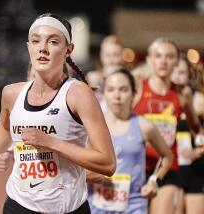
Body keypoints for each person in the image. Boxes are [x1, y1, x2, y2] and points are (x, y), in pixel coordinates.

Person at [0, 13, 116, 213]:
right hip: (19, 204)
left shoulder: (78, 94)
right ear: (29, 47)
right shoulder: (11, 93)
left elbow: (107, 163)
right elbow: (4, 126)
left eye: (53, 42)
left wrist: (51, 142)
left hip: (68, 208)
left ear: (68, 50)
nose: (43, 48)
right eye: (36, 41)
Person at [87, 68, 173, 214]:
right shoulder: (90, 124)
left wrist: (154, 181)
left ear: (134, 93)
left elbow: (167, 156)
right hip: (95, 205)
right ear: (103, 93)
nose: (117, 95)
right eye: (111, 89)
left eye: (123, 89)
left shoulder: (144, 126)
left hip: (133, 205)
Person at [133, 38, 200, 214]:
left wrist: (199, 149)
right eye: (158, 56)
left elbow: (196, 127)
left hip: (167, 168)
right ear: (149, 60)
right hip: (136, 167)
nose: (163, 61)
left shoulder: (182, 93)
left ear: (177, 62)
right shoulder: (138, 87)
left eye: (169, 56)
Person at [170, 54, 204, 214]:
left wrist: (197, 152)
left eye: (181, 72)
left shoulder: (197, 99)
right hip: (171, 167)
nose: (176, 75)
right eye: (174, 71)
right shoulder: (165, 99)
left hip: (195, 169)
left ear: (189, 74)